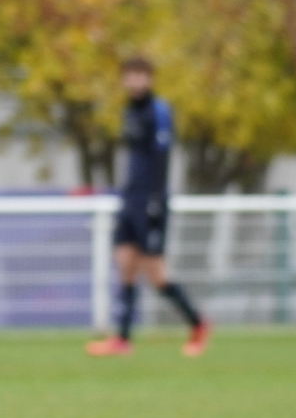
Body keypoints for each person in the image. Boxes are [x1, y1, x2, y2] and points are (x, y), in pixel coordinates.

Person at [86, 57, 209, 357]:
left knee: (156, 275)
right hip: (130, 199)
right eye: (129, 76)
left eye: (140, 76)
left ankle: (198, 324)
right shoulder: (129, 110)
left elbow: (162, 156)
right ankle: (122, 339)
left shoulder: (159, 110)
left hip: (151, 200)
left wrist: (155, 198)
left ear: (149, 79)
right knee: (125, 264)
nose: (135, 82)